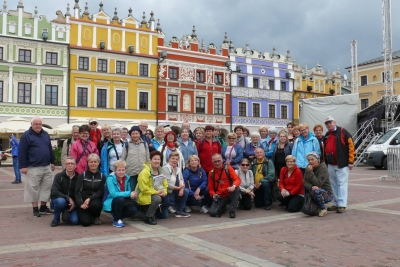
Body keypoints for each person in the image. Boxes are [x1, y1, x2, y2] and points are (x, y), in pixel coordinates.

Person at [18, 116, 55, 217]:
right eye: (36, 124)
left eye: (40, 124)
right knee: (33, 188)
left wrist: (52, 162)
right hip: (33, 167)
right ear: (32, 124)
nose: (38, 126)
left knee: (46, 187)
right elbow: (22, 152)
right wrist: (23, 166)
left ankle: (43, 207)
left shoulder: (45, 134)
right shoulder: (26, 135)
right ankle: (35, 209)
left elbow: (49, 148)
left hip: (46, 166)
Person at [323, 116, 355, 214]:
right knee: (333, 185)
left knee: (342, 184)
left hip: (342, 163)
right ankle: (336, 203)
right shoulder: (327, 134)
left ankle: (342, 204)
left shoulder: (343, 131)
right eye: (327, 123)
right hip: (331, 164)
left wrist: (351, 161)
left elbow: (351, 146)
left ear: (335, 122)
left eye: (330, 122)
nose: (329, 124)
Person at [103, 160, 142, 227]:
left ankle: (118, 216)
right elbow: (113, 194)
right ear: (115, 171)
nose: (121, 172)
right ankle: (116, 220)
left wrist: (132, 195)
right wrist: (129, 193)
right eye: (119, 170)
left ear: (125, 170)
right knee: (120, 199)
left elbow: (129, 192)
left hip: (124, 200)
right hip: (112, 201)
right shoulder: (110, 179)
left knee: (135, 208)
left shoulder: (127, 178)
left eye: (123, 170)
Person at [136, 151, 168, 225]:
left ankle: (152, 212)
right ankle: (148, 217)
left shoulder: (161, 171)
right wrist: (157, 192)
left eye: (158, 159)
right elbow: (143, 189)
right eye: (155, 159)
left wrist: (164, 192)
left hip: (156, 193)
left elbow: (165, 184)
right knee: (157, 198)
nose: (157, 161)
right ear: (150, 160)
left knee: (164, 216)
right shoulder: (144, 172)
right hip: (144, 194)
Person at [74, 153, 105, 226]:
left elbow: (101, 191)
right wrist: (80, 204)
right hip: (83, 200)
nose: (93, 164)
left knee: (96, 205)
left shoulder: (102, 176)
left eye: (95, 162)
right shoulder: (82, 175)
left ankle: (95, 216)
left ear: (98, 163)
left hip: (95, 199)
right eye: (91, 162)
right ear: (88, 163)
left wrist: (90, 199)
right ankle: (87, 214)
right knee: (86, 223)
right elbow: (77, 192)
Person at [208, 153, 241, 218]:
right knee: (213, 213)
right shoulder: (211, 173)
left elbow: (237, 179)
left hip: (229, 193)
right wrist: (213, 195)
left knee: (237, 189)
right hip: (220, 196)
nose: (217, 163)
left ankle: (232, 210)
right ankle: (223, 208)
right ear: (212, 162)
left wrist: (233, 186)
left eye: (218, 161)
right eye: (215, 161)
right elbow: (210, 188)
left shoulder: (228, 168)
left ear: (222, 160)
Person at [50, 157, 79, 227]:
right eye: (68, 163)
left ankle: (66, 214)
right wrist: (67, 198)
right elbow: (54, 191)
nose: (70, 165)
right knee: (61, 202)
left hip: (72, 204)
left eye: (72, 164)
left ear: (75, 165)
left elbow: (79, 192)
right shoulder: (59, 176)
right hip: (59, 201)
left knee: (75, 221)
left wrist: (74, 203)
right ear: (64, 165)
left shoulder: (78, 177)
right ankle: (56, 219)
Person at [159, 152, 190, 218]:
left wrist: (181, 189)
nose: (175, 160)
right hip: (167, 191)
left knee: (186, 191)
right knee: (165, 216)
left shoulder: (178, 169)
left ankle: (179, 211)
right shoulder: (165, 168)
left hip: (176, 190)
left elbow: (181, 180)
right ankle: (160, 208)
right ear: (169, 159)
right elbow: (166, 183)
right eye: (173, 158)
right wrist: (178, 188)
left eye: (176, 159)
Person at [304, 152, 333, 217]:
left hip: (326, 193)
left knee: (317, 191)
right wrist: (312, 186)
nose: (310, 162)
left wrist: (310, 172)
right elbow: (305, 181)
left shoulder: (323, 168)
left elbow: (319, 183)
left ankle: (323, 208)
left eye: (312, 159)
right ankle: (317, 206)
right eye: (308, 160)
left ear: (317, 160)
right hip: (313, 190)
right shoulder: (308, 167)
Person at [122, 126, 150, 191]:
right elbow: (123, 159)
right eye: (133, 134)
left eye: (136, 133)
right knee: (132, 190)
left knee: (142, 190)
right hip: (131, 173)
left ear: (140, 134)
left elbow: (147, 158)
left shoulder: (144, 144)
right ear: (130, 135)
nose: (135, 135)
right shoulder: (127, 145)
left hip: (143, 172)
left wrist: (149, 170)